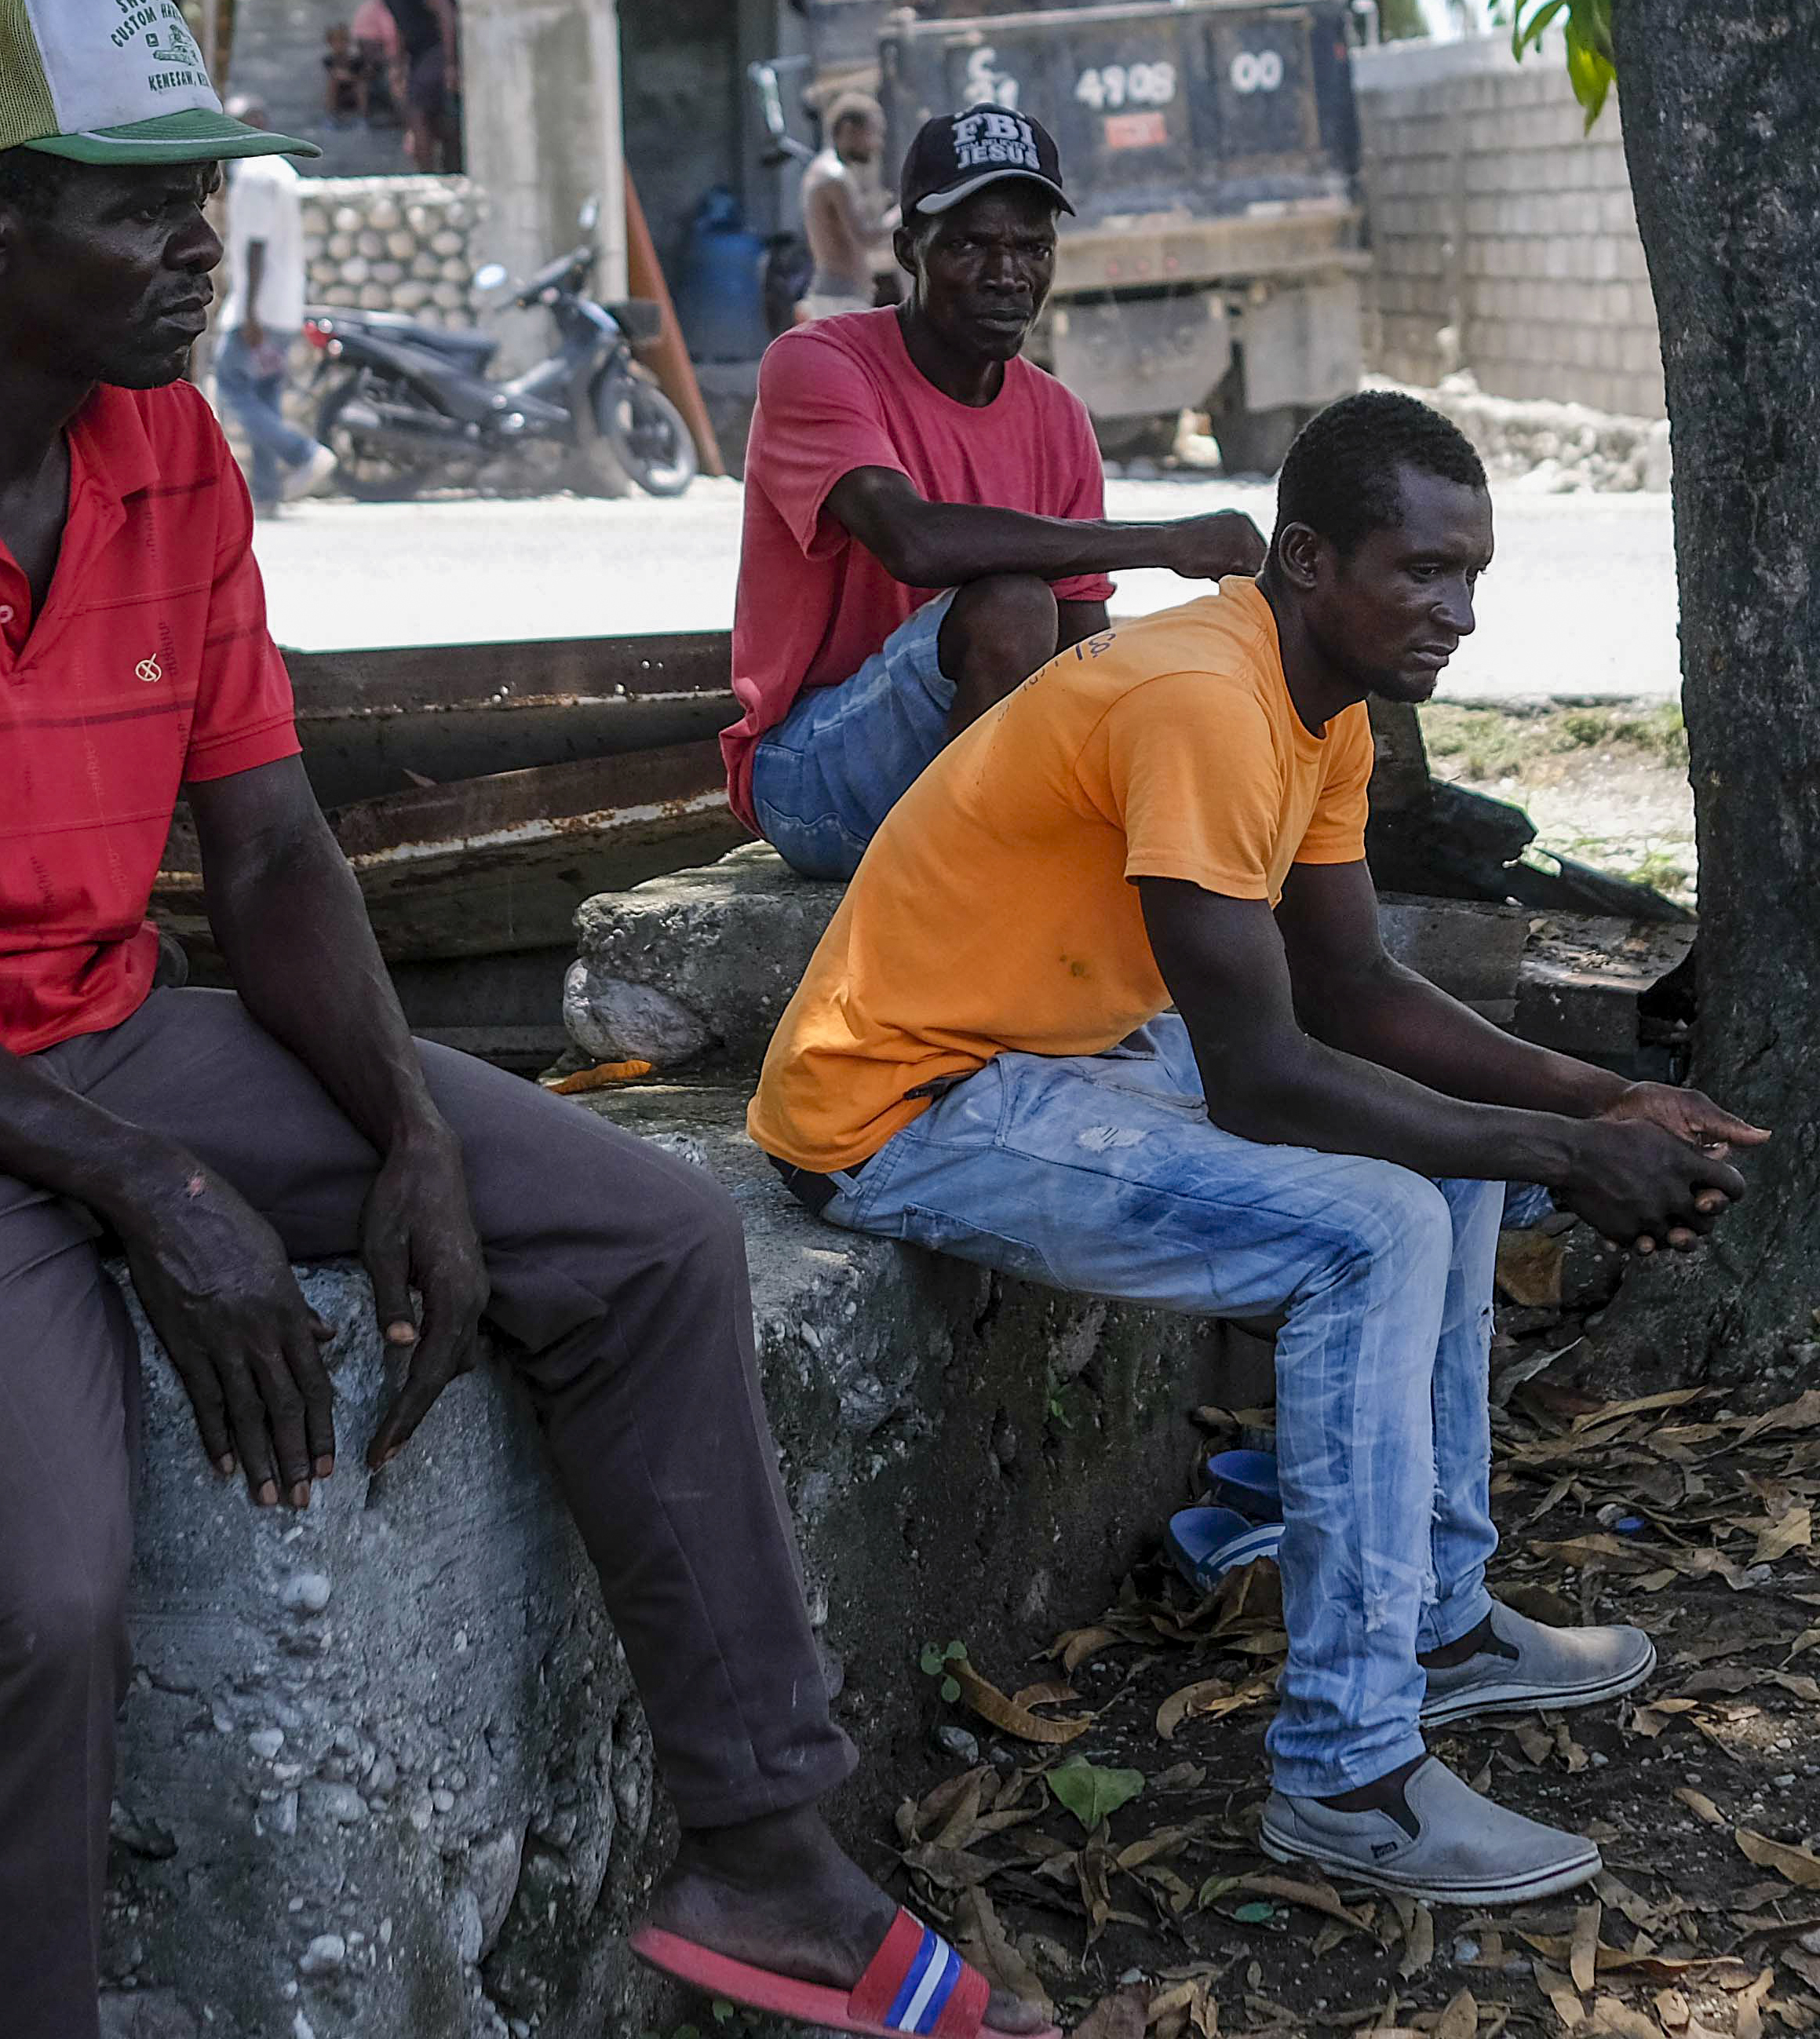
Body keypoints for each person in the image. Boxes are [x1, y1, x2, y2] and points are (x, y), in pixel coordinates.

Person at [0, 0, 1050, 2039]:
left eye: (209, 192)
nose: (201, 243)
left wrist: (408, 1136)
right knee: (45, 1585)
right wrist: (147, 1186)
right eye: (143, 203)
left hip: (88, 1023)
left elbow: (265, 857)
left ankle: (762, 1854)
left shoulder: (168, 453)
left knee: (647, 1239)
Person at [752, 391, 1768, 1907]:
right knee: (1373, 1226)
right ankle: (1348, 1771)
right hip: (907, 1101)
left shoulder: (1325, 704)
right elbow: (1265, 1074)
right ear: (1303, 557)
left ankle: (1434, 1613)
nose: (1458, 612)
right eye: (1421, 572)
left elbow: (1351, 988)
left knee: (1449, 1167)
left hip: (1066, 1054)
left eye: (1471, 574)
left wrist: (1591, 1104)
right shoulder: (1203, 701)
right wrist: (1570, 1157)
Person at [727, 104, 1265, 880]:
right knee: (1014, 605)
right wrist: (1165, 543)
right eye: (972, 244)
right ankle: (969, 897)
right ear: (910, 251)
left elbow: (1081, 654)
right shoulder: (815, 364)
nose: (1007, 274)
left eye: (1031, 247)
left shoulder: (1058, 418)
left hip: (967, 771)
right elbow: (913, 542)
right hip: (810, 777)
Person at [211, 97, 332, 508]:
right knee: (264, 397)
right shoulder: (281, 168)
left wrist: (248, 312)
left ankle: (303, 453)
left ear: (259, 122)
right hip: (281, 310)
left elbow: (257, 247)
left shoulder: (257, 171)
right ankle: (267, 493)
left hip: (258, 310)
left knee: (230, 387)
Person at [351, 0, 457, 173]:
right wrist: (398, 63)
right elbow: (398, 19)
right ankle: (433, 168)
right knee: (419, 109)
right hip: (419, 53)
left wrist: (452, 63)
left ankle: (428, 175)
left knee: (415, 105)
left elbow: (444, 10)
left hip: (437, 49)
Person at [797, 96, 890, 320]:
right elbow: (866, 236)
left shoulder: (824, 171)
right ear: (848, 130)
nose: (878, 144)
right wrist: (907, 210)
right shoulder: (835, 177)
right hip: (840, 300)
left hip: (840, 298)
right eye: (873, 133)